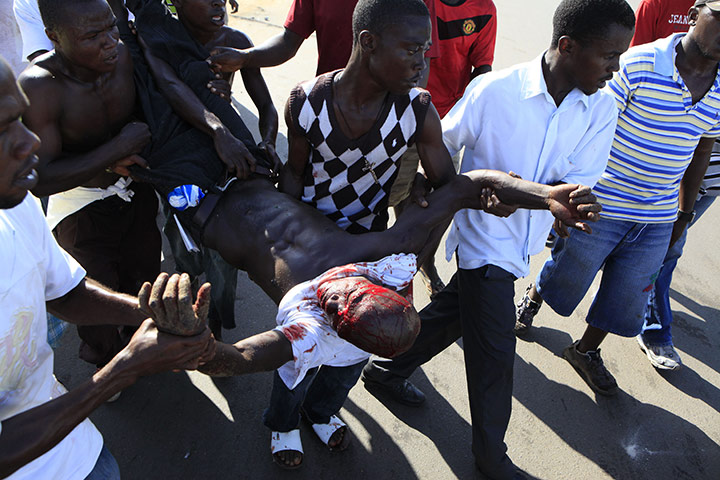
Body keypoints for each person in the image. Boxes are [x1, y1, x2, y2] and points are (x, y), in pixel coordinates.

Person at [361, 0, 636, 478]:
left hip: (524, 241)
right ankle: (490, 456)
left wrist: (558, 203)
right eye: (609, 55)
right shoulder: (495, 90)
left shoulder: (601, 109)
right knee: (494, 353)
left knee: (458, 313)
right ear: (567, 47)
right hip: (482, 235)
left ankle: (386, 371)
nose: (615, 69)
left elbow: (578, 181)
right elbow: (442, 140)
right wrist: (457, 188)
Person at [0, 56, 214, 479]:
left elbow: (65, 291)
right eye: (1, 130)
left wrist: (148, 311)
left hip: (79, 451)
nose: (31, 143)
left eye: (19, 120)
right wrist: (122, 370)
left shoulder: (15, 204)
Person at [515, 0, 720, 395]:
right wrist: (568, 187)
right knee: (568, 270)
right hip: (603, 203)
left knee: (627, 295)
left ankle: (586, 351)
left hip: (658, 216)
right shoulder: (641, 63)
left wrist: (685, 212)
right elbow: (591, 123)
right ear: (695, 15)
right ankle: (535, 297)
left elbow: (702, 149)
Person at [629, 0, 718, 371]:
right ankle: (653, 327)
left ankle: (645, 317)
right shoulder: (664, 6)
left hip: (709, 171)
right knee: (663, 247)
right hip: (657, 155)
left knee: (666, 246)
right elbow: (633, 63)